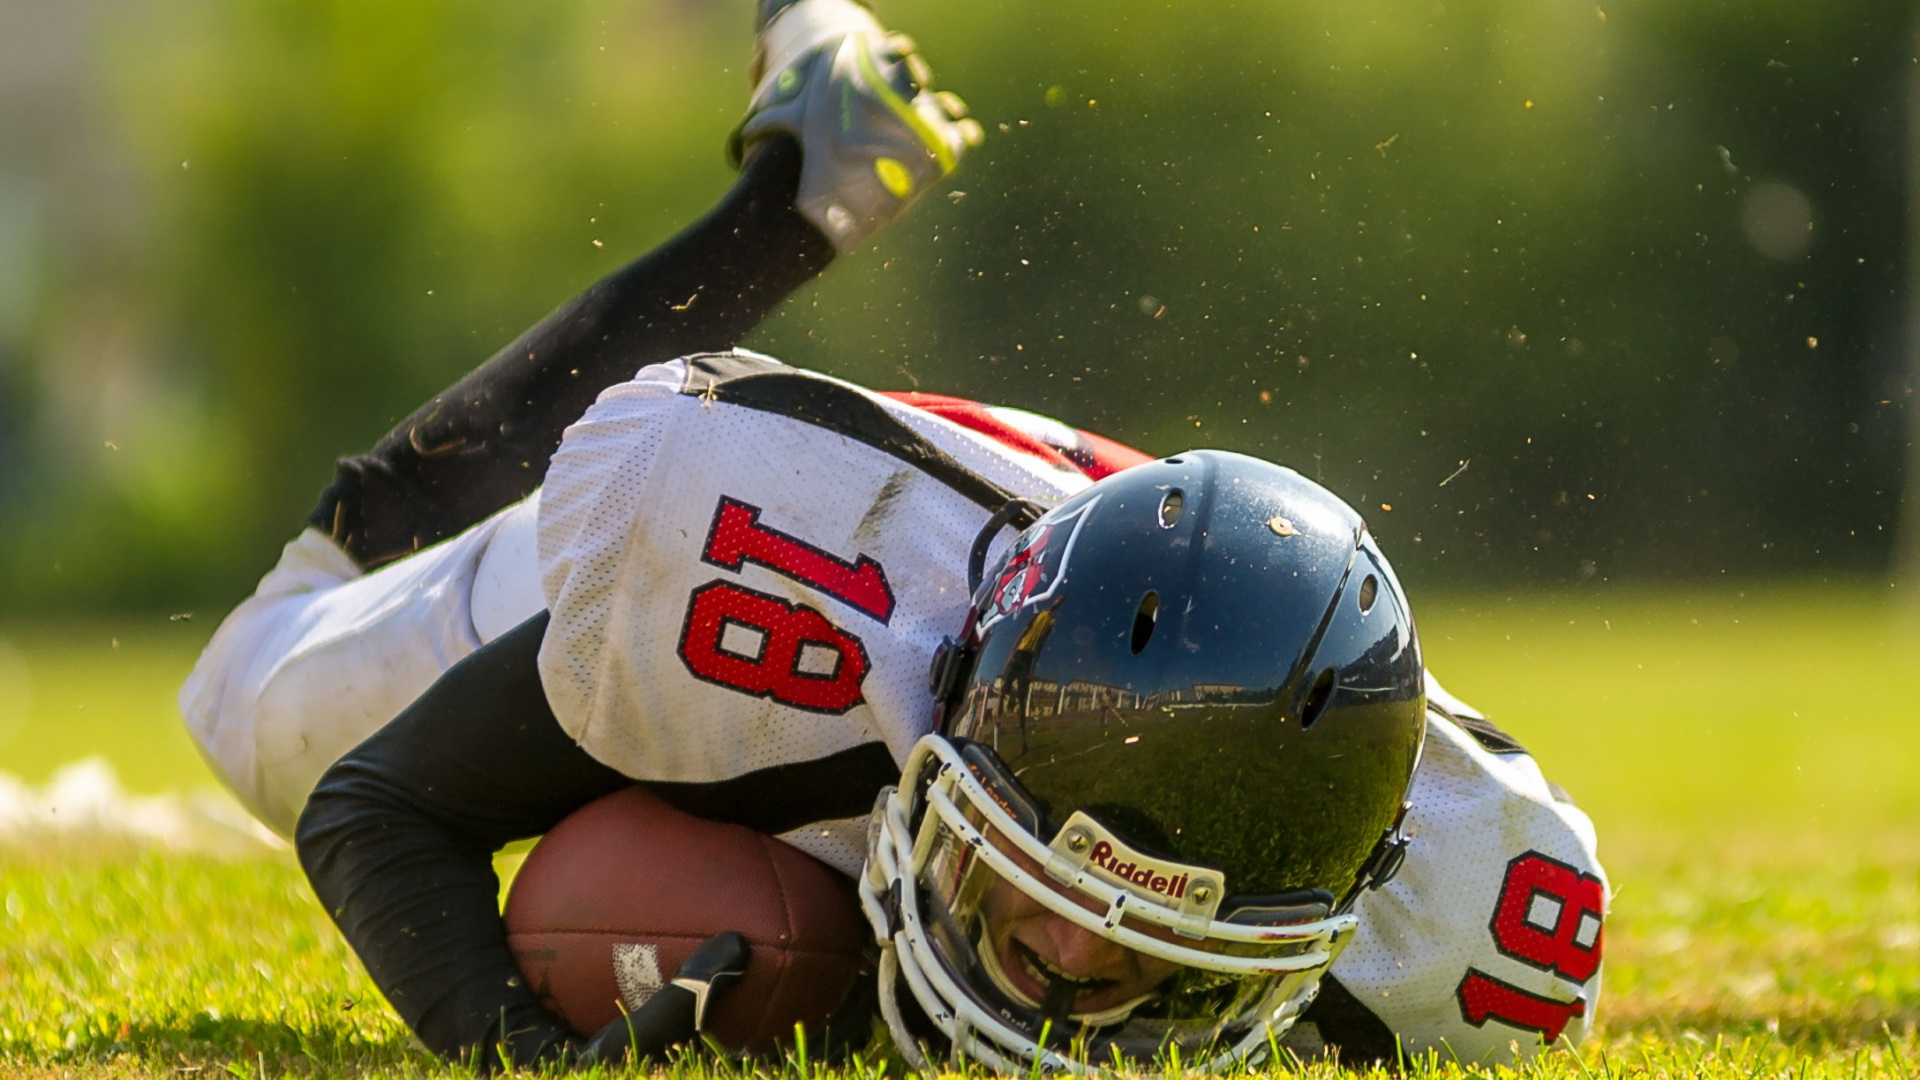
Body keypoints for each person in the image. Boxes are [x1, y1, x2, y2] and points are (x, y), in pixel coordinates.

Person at [178, 0, 1607, 1070]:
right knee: (256, 684)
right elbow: (375, 806)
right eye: (1043, 880)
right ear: (969, 707)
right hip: (870, 510)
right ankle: (799, 197)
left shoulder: (1463, 896)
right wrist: (517, 1052)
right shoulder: (794, 609)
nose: (1062, 967)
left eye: (1140, 941)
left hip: (1084, 520)